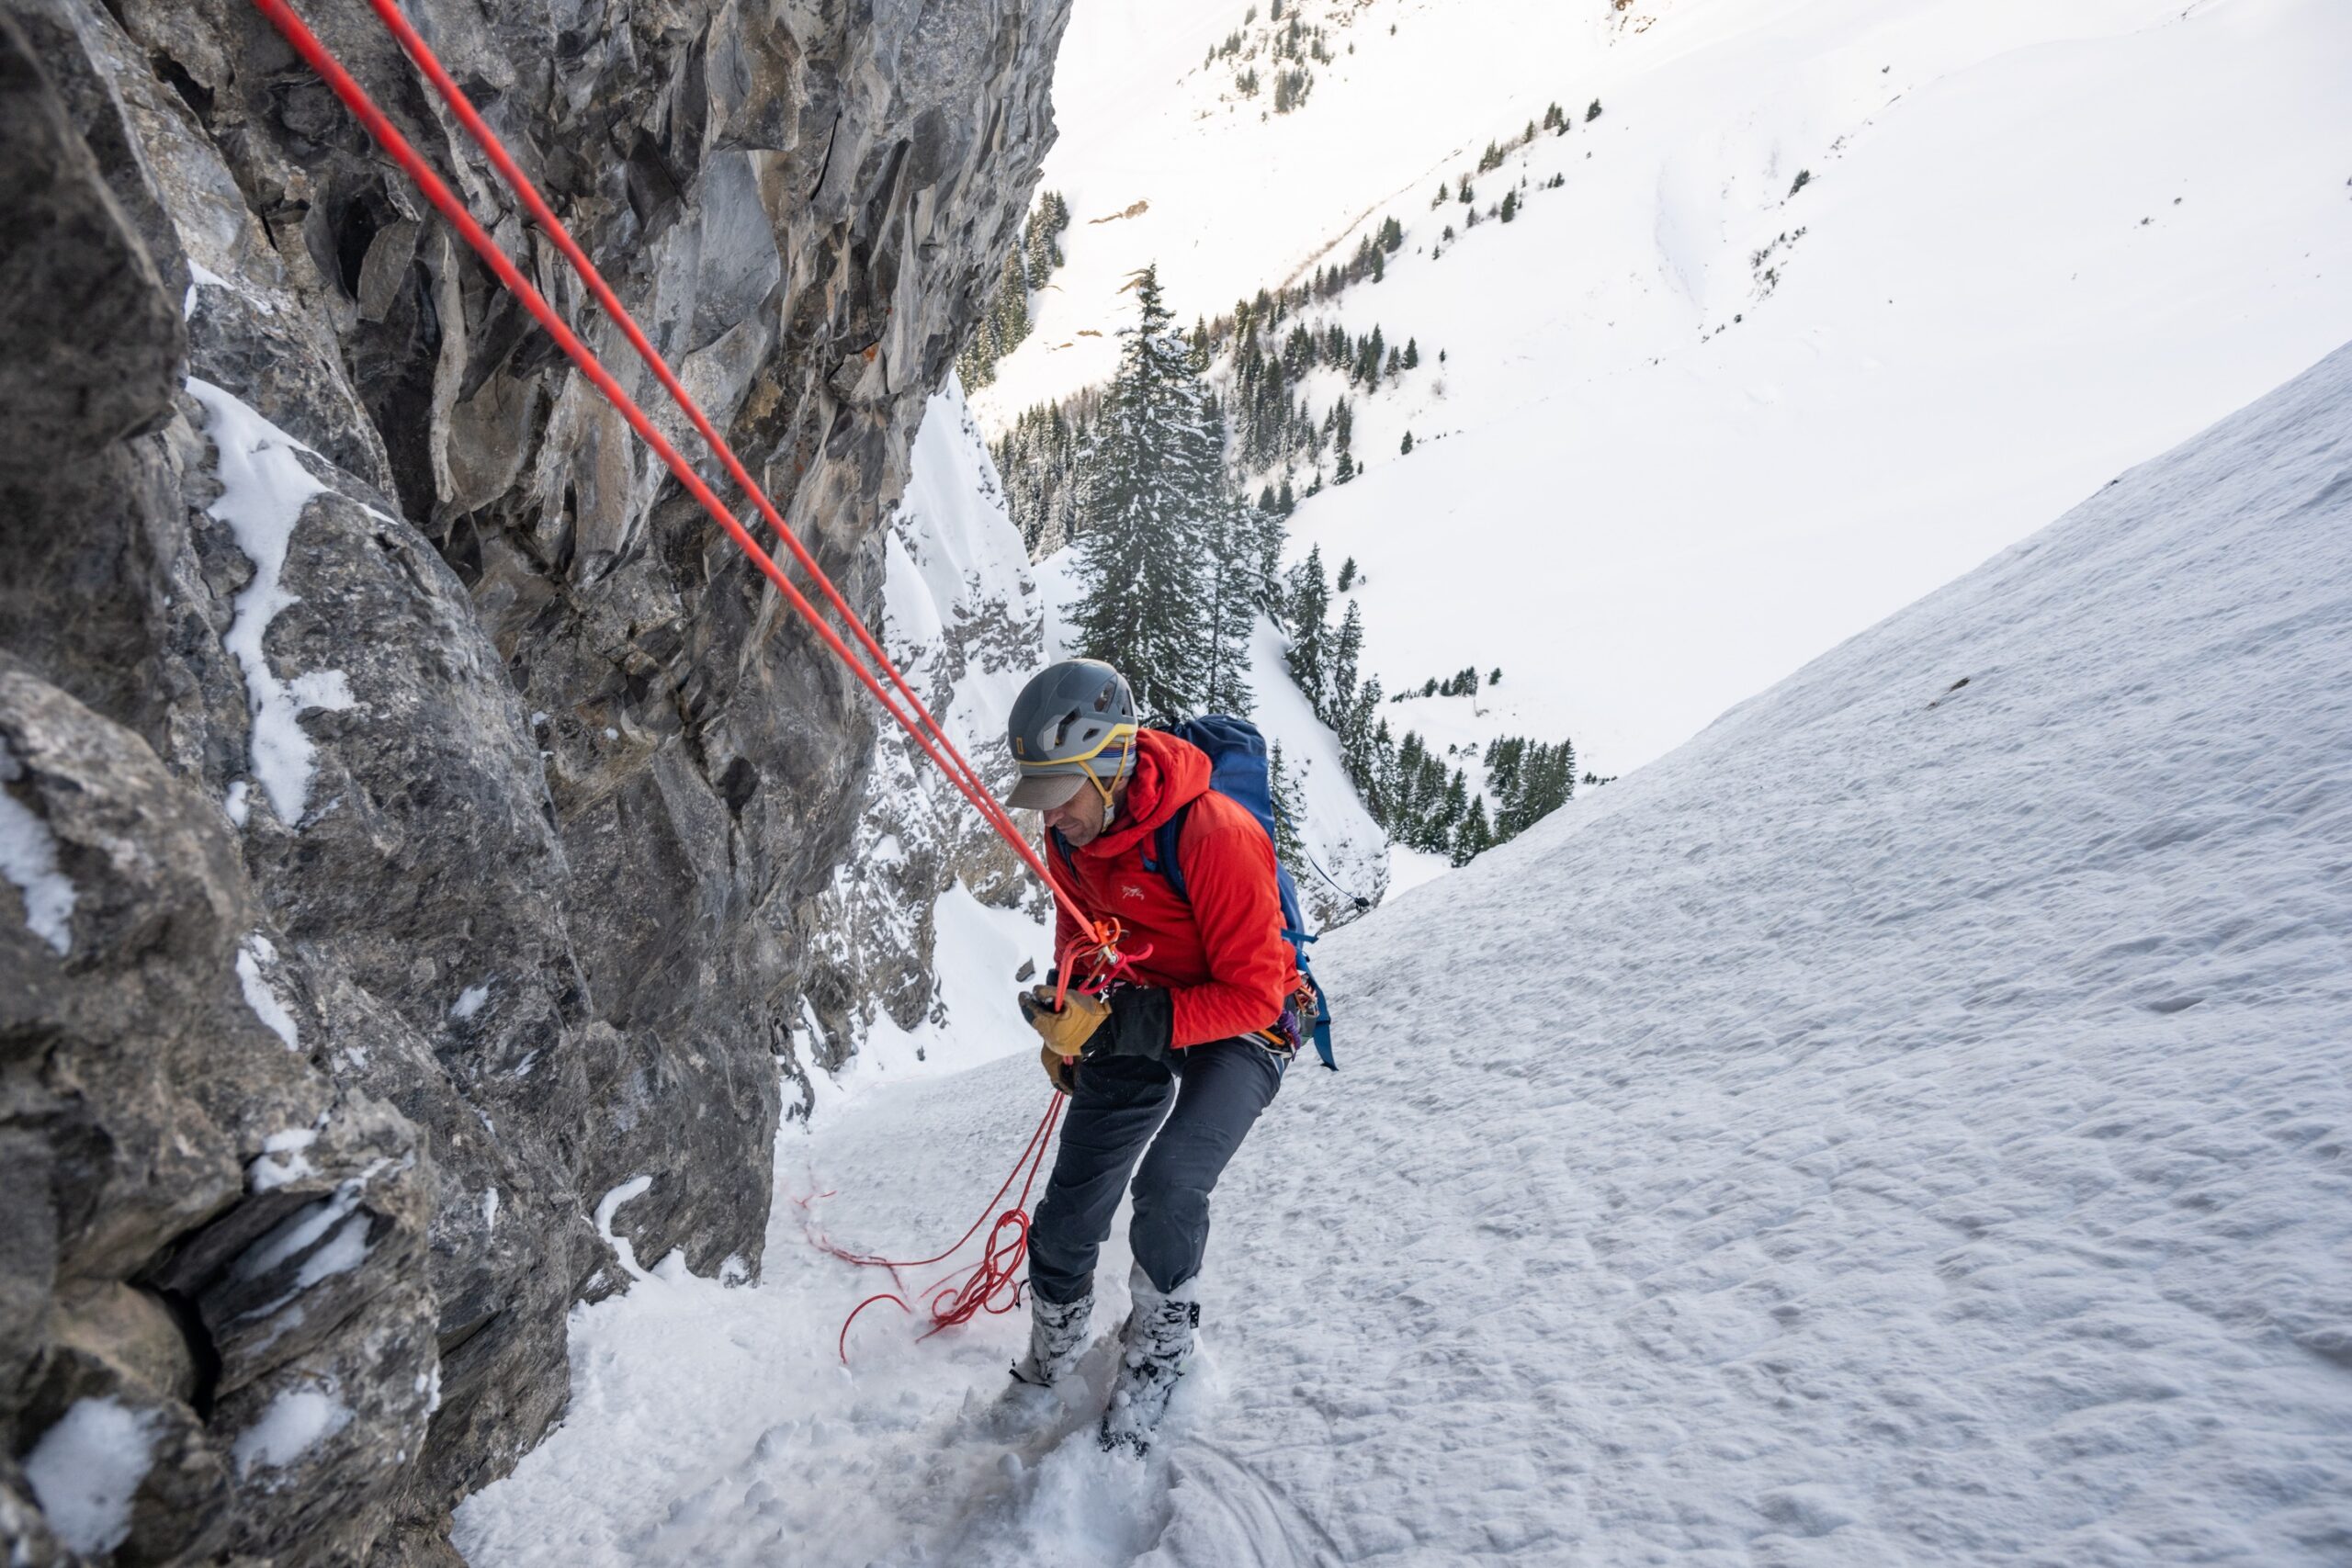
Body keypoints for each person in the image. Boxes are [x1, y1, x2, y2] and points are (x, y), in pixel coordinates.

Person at [1001, 658, 1301, 1454]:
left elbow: (1257, 995)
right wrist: (1074, 1011)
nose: (1049, 815)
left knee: (1169, 1185)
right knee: (1068, 1214)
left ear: (1109, 766)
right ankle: (1053, 1351)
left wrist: (1124, 1024)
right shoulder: (1072, 831)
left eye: (1059, 793)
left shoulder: (1212, 835)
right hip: (1138, 1006)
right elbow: (1080, 929)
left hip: (1244, 1021)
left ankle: (1161, 1344)